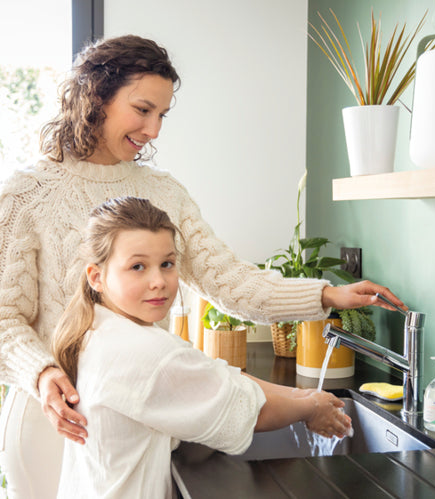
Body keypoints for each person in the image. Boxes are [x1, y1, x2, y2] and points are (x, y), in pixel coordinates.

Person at [0, 34, 405, 499]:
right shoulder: (26, 196)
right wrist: (41, 373)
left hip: (137, 414)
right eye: (143, 109)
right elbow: (4, 318)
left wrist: (326, 295)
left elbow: (226, 279)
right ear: (96, 96)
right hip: (49, 419)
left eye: (162, 115)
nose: (153, 130)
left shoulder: (163, 193)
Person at [52, 196, 353, 499]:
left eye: (167, 264)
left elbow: (215, 375)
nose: (158, 281)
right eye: (138, 266)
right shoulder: (143, 351)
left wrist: (301, 396)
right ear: (97, 277)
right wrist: (310, 408)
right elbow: (247, 410)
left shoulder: (100, 328)